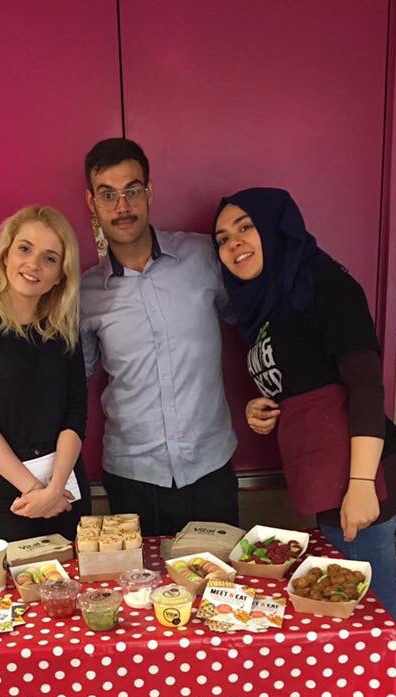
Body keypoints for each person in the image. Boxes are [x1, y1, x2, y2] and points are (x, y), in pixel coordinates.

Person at [213, 188, 396, 620]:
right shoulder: (267, 302)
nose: (233, 243)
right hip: (324, 478)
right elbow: (304, 378)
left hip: (364, 478)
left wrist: (361, 484)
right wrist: (263, 405)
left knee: (369, 619)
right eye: (222, 238)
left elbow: (365, 386)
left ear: (276, 227)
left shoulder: (322, 282)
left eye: (246, 227)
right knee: (359, 610)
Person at [81, 138, 239, 536]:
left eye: (132, 190)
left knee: (221, 578)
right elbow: (69, 374)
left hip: (210, 468)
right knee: (139, 580)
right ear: (92, 203)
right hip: (132, 477)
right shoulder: (84, 294)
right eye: (108, 195)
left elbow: (251, 318)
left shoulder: (203, 257)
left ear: (149, 192)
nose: (122, 206)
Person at [0, 205, 91, 542]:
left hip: (65, 488)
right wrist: (35, 491)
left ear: (61, 275)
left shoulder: (64, 329)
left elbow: (76, 413)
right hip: (6, 494)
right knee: (11, 578)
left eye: (50, 258)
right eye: (25, 249)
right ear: (5, 255)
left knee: (79, 576)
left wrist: (54, 489)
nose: (33, 264)